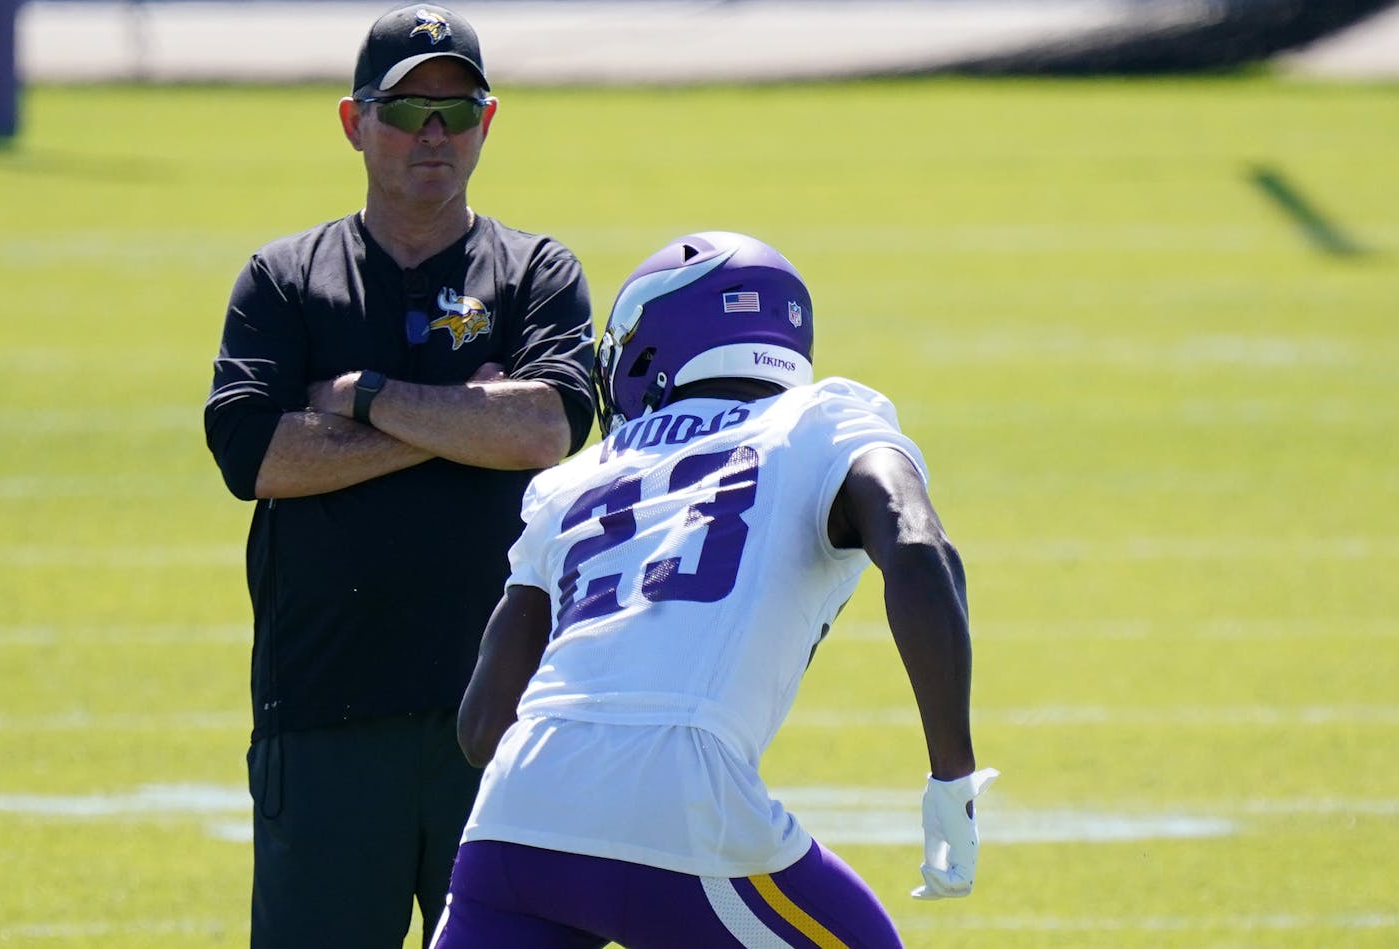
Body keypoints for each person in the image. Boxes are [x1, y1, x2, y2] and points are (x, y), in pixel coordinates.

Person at [431, 231, 998, 948]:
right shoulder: (819, 420)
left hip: (516, 809)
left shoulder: (571, 478)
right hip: (684, 784)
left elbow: (483, 728)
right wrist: (952, 776)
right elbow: (917, 546)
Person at [202, 5, 595, 947]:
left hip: (505, 715)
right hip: (327, 714)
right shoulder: (285, 278)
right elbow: (254, 457)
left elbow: (547, 426)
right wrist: (463, 418)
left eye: (456, 112)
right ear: (353, 122)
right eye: (407, 108)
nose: (433, 134)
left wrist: (362, 396)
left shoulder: (537, 271)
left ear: (487, 125)